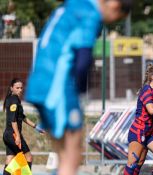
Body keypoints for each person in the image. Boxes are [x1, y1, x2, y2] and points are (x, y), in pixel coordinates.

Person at [25, 0, 133, 175]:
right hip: (57, 86)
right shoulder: (90, 14)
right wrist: (81, 93)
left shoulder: (73, 5)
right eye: (116, 18)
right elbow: (83, 59)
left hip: (39, 81)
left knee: (62, 153)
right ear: (114, 5)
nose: (110, 21)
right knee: (73, 154)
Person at [2, 78, 44, 175]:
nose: (20, 90)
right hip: (13, 135)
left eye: (21, 88)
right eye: (17, 88)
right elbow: (13, 121)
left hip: (8, 135)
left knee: (10, 159)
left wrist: (36, 127)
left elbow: (22, 117)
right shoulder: (14, 100)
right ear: (11, 88)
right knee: (28, 157)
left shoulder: (12, 99)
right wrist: (17, 136)